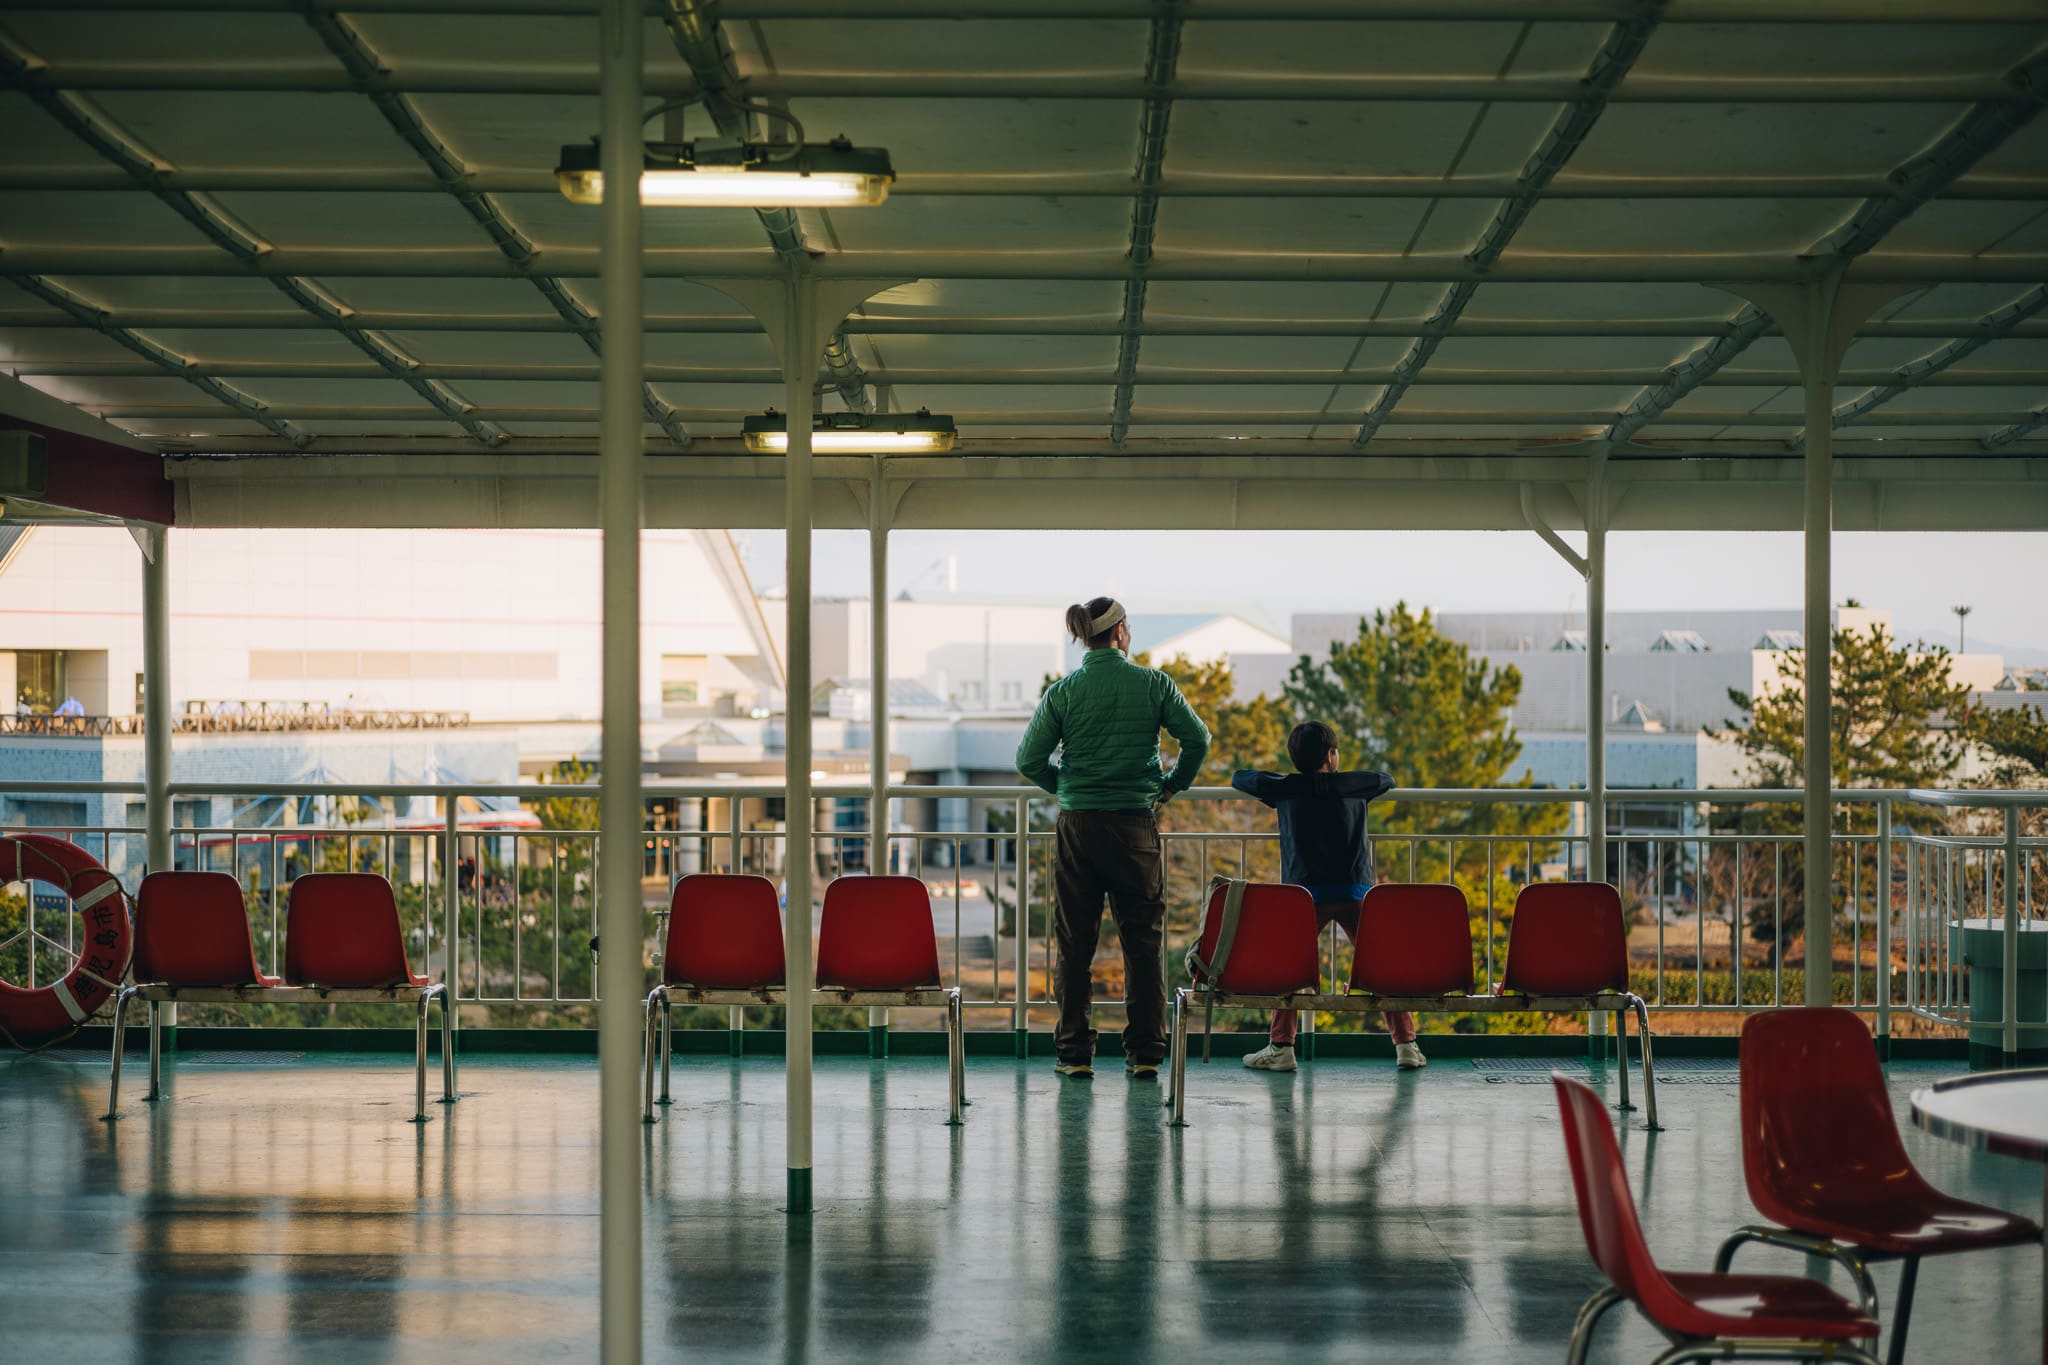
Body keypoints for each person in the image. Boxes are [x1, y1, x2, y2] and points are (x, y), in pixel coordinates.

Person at [1016, 595, 1210, 1081]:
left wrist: (1067, 787)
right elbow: (1198, 739)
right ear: (1120, 631)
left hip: (1078, 828)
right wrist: (1172, 784)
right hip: (1134, 825)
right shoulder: (1153, 684)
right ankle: (1145, 1051)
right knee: (1142, 942)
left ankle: (1074, 1053)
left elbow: (1028, 759)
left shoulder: (1063, 691)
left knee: (1074, 942)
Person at [1231, 720, 1423, 1072]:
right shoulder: (1354, 787)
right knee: (1380, 963)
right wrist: (1334, 780)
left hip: (1304, 896)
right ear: (1332, 756)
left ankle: (1281, 1047)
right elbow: (1386, 779)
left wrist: (1292, 780)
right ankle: (1406, 1045)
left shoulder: (1287, 789)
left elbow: (1240, 778)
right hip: (1354, 891)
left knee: (1288, 966)